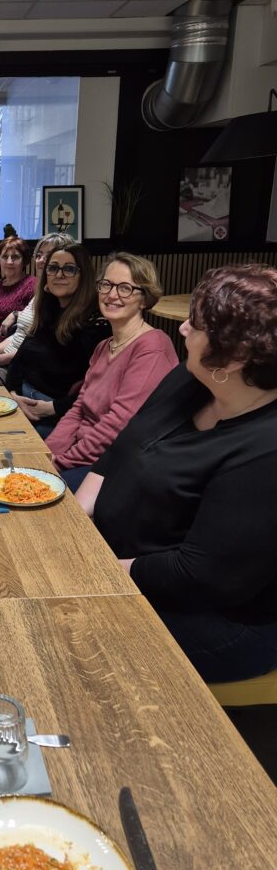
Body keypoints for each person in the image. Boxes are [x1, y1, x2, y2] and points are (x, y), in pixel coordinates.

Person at [75, 265, 277, 683]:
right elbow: (123, 445)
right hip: (119, 560)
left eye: (197, 323)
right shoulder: (193, 378)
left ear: (235, 356)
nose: (183, 328)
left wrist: (97, 570)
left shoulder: (266, 449)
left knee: (69, 636)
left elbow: (200, 575)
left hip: (216, 616)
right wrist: (75, 520)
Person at [45, 253, 178, 490]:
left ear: (144, 299)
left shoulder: (152, 348)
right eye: (106, 285)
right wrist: (48, 452)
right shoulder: (103, 346)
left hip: (115, 465)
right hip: (83, 453)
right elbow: (79, 408)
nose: (112, 294)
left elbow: (117, 426)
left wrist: (61, 464)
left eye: (125, 288)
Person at [6, 244, 109, 436]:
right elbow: (20, 359)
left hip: (56, 413)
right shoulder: (49, 308)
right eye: (53, 268)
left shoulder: (96, 324)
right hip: (20, 399)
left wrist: (52, 408)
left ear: (83, 276)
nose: (59, 274)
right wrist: (12, 394)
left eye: (69, 269)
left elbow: (97, 388)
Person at [0, 232, 75, 382]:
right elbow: (21, 332)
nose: (41, 260)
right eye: (39, 255)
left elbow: (39, 350)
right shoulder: (42, 293)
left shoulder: (58, 299)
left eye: (48, 255)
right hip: (6, 357)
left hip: (20, 370)